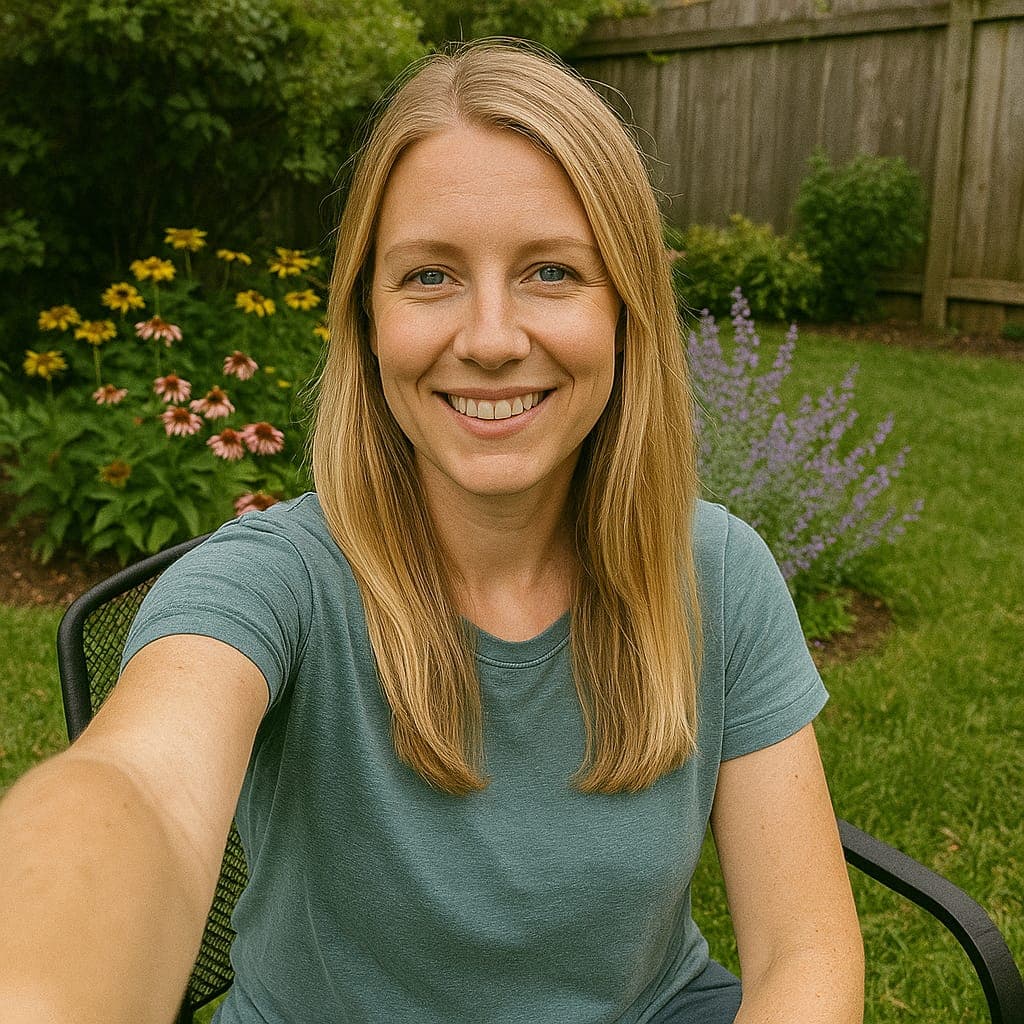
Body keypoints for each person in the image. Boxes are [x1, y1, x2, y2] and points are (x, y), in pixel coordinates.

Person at [0, 39, 863, 1024]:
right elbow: (136, 792)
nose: (491, 338)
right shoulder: (270, 584)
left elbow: (806, 951)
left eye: (549, 270)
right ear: (364, 320)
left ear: (626, 313)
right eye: (428, 277)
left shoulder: (717, 570)